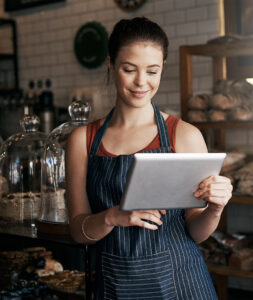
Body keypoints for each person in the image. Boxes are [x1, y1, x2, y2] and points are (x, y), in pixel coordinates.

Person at [66, 17, 232, 300]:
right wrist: (111, 217)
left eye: (152, 71)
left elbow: (196, 231)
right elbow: (78, 232)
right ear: (110, 64)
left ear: (162, 69)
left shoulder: (185, 136)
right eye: (129, 69)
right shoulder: (83, 140)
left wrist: (215, 209)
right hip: (114, 285)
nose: (141, 82)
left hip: (182, 283)